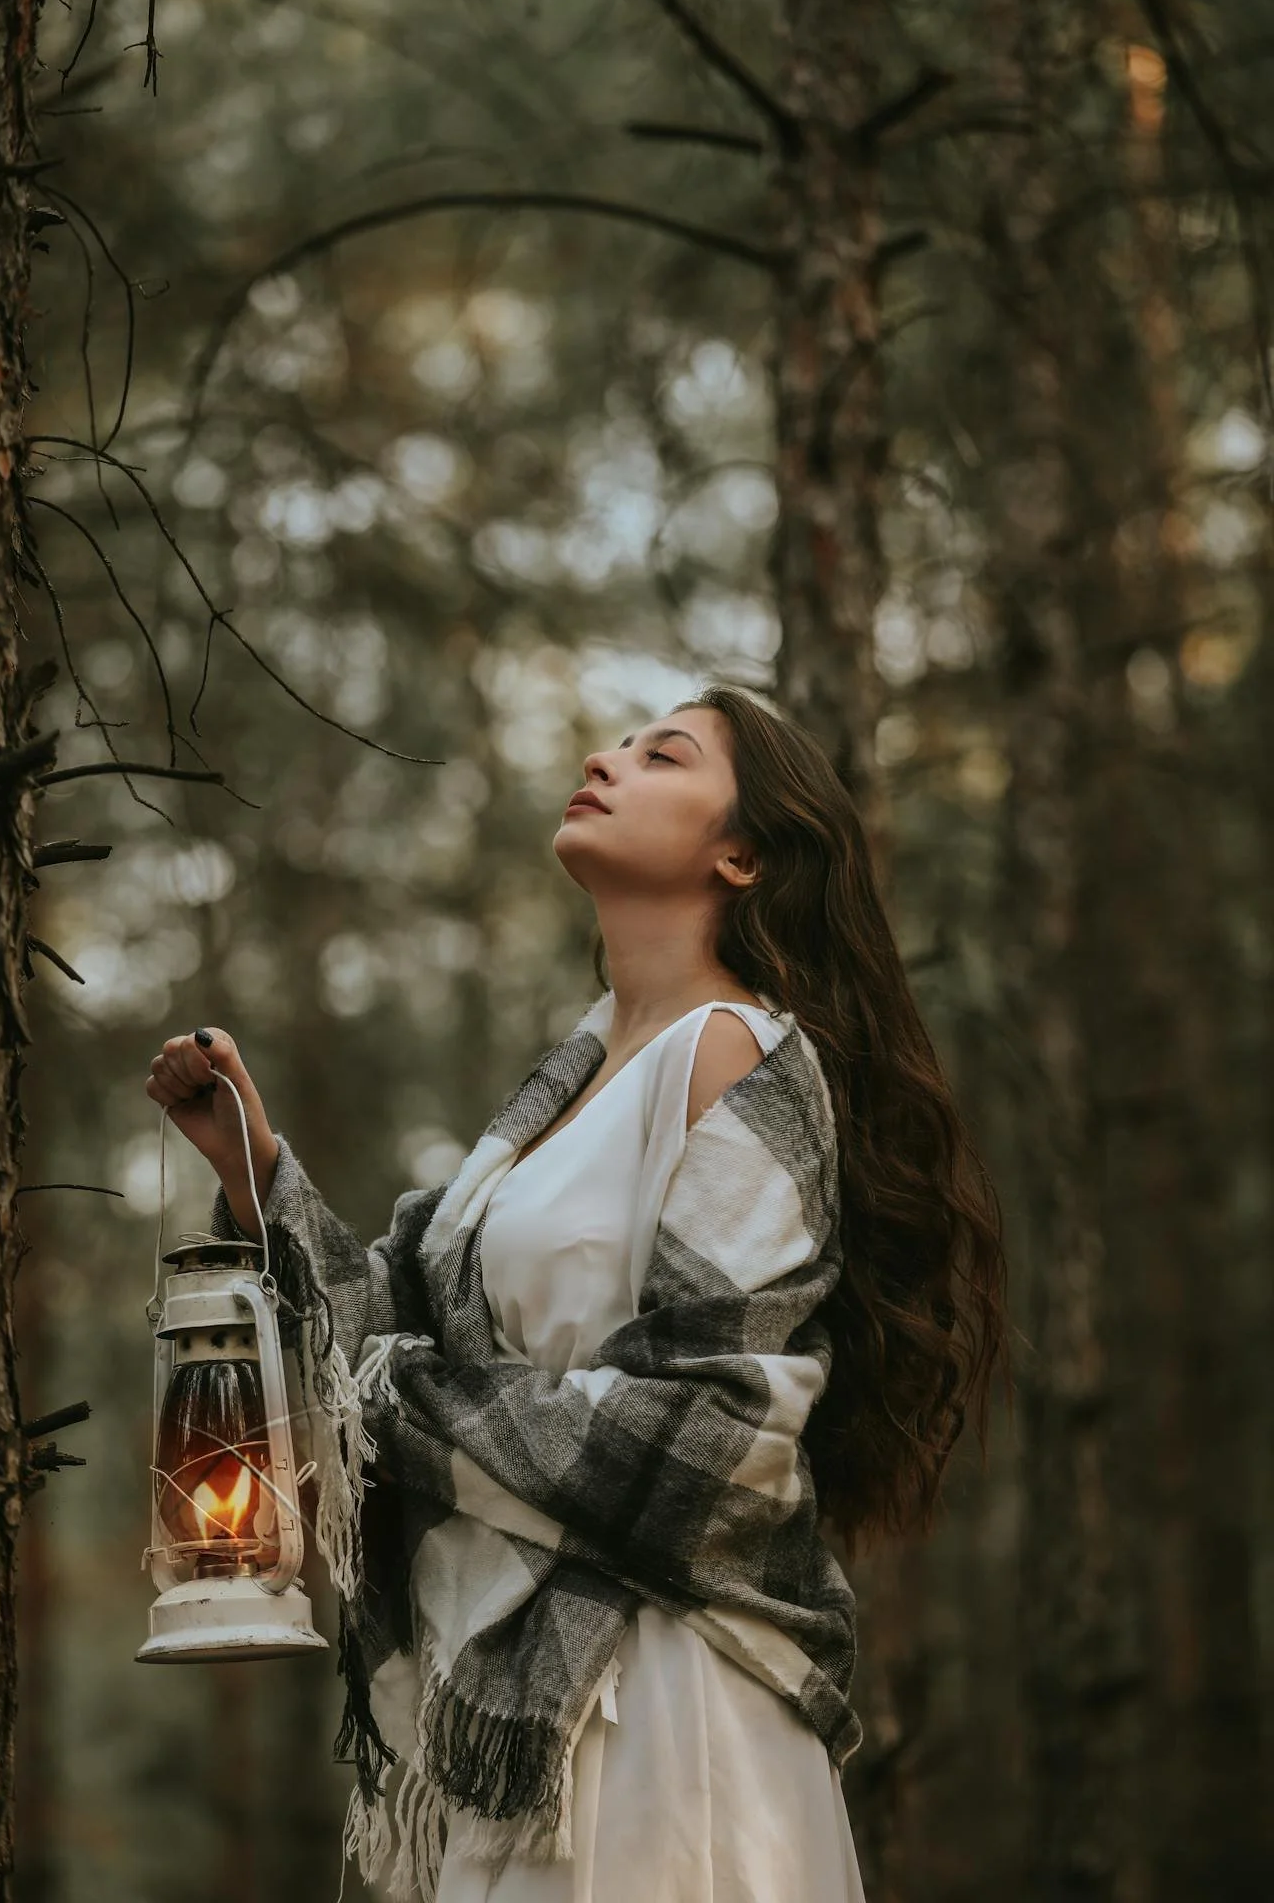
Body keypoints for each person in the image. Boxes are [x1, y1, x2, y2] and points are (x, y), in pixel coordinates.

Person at [147, 684, 1011, 1903]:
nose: (604, 759)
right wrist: (256, 1172)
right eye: (616, 741)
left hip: (656, 1709)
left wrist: (398, 1398)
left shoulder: (736, 1055)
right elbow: (387, 1324)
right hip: (506, 1703)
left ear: (743, 853)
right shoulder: (569, 1078)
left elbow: (713, 1434)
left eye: (661, 755)